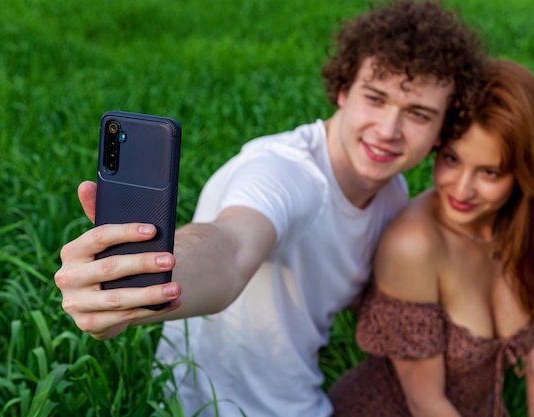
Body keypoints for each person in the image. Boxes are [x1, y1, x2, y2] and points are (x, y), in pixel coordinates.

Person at [54, 1, 485, 416]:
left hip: (302, 401)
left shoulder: (393, 192)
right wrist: (145, 279)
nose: (389, 130)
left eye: (418, 114)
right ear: (342, 90)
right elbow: (232, 247)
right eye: (375, 98)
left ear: (442, 130)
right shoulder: (283, 171)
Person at [328, 59, 534, 417]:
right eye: (451, 158)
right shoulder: (413, 246)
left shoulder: (527, 227)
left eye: (490, 172)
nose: (461, 189)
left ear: (524, 175)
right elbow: (426, 403)